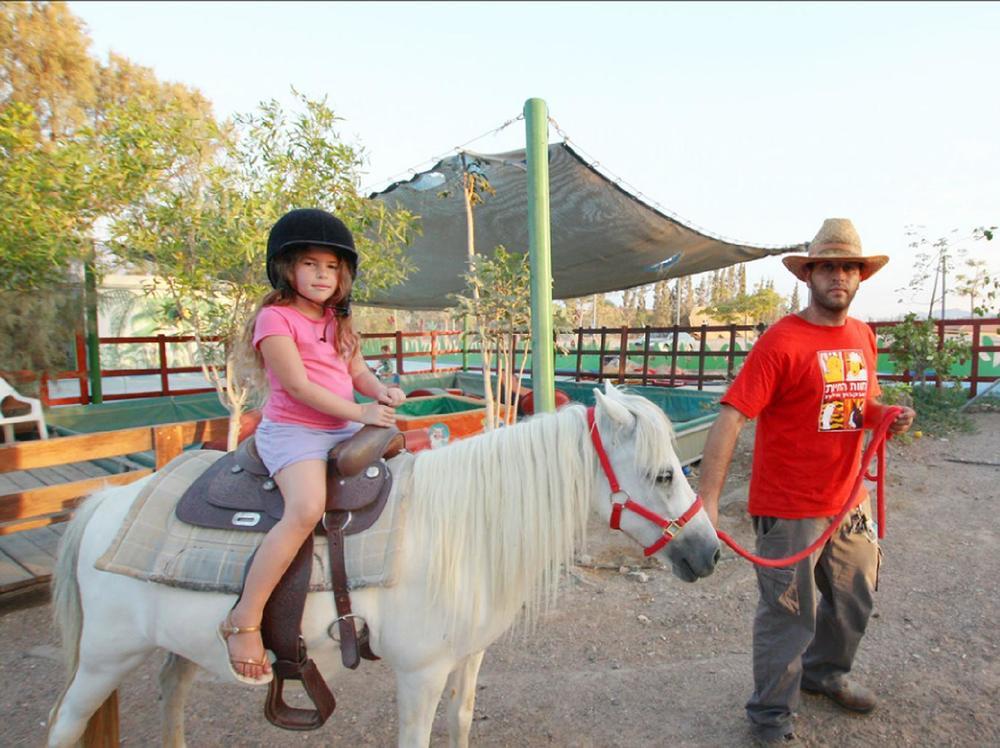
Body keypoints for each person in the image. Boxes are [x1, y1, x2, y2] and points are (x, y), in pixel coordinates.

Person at [697, 218, 916, 744]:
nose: (838, 276)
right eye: (828, 267)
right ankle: (770, 715)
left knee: (854, 597)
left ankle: (826, 674)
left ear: (859, 277)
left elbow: (853, 405)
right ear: (810, 274)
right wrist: (706, 502)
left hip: (847, 500)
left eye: (848, 267)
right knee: (789, 617)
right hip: (790, 506)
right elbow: (732, 415)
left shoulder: (862, 335)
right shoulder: (781, 342)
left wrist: (882, 413)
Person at [221, 208, 406, 684]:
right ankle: (244, 618)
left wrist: (379, 392)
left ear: (342, 275)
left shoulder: (337, 320)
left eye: (330, 267)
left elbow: (356, 373)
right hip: (295, 430)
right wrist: (363, 413)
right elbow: (299, 387)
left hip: (341, 425)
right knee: (305, 508)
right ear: (287, 269)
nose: (322, 275)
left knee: (403, 472)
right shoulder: (275, 319)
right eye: (310, 264)